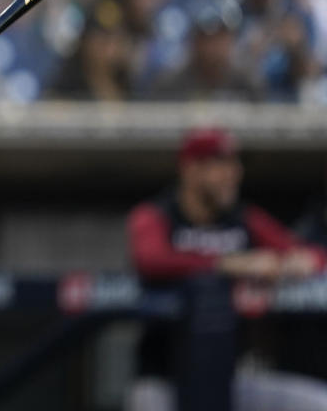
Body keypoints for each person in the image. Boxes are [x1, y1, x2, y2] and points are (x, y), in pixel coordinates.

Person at [125, 127, 327, 411]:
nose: (233, 173)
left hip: (233, 377)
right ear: (190, 169)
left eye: (234, 164)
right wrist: (227, 264)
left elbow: (313, 254)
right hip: (164, 379)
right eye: (220, 164)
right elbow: (151, 260)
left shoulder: (244, 219)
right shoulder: (156, 216)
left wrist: (300, 262)